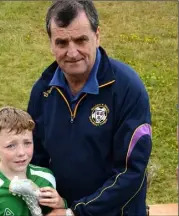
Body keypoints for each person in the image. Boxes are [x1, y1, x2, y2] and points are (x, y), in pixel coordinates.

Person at [27, 1, 152, 215]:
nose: (72, 52)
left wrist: (77, 212)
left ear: (97, 36)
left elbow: (131, 171)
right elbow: (34, 160)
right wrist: (50, 204)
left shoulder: (128, 88)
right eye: (62, 42)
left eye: (80, 40)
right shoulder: (42, 91)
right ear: (51, 43)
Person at [0, 106, 67, 216]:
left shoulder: (46, 177)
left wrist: (61, 203)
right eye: (11, 146)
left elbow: (60, 211)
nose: (21, 153)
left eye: (27, 143)